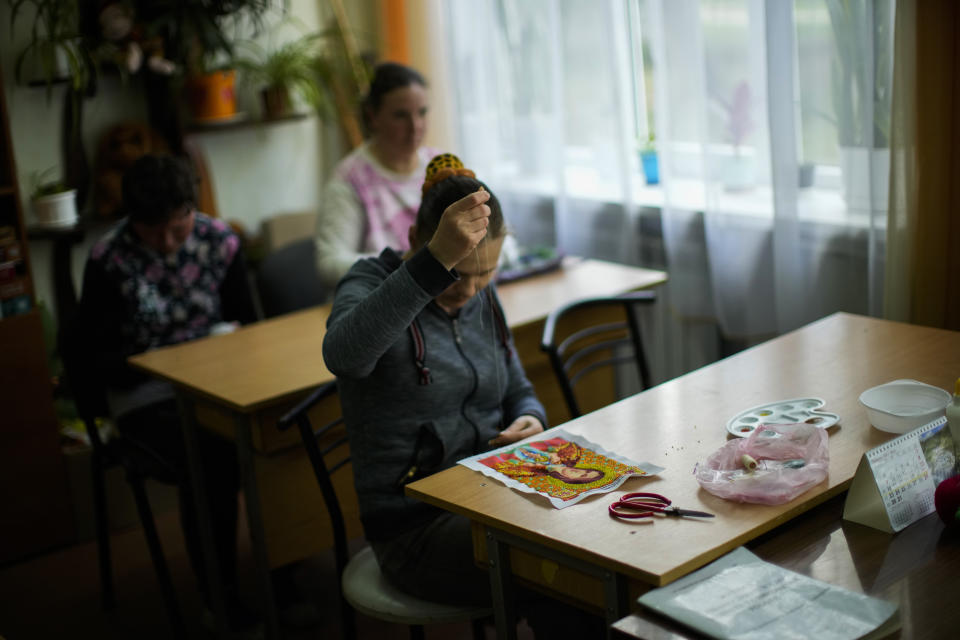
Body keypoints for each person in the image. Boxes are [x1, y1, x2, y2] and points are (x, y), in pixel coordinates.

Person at [322, 153, 603, 637]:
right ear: (417, 240)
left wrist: (530, 417)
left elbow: (517, 387)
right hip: (417, 527)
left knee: (599, 539)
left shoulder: (478, 291)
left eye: (486, 273)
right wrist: (433, 267)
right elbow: (344, 356)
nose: (470, 290)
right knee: (567, 573)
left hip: (493, 493)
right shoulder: (370, 283)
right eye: (458, 272)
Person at [75, 154, 310, 637]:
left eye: (177, 229)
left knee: (277, 435)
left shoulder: (219, 242)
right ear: (131, 221)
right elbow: (95, 361)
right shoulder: (108, 260)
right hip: (146, 395)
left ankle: (282, 580)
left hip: (224, 383)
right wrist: (169, 356)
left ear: (192, 210)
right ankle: (218, 599)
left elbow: (252, 331)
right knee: (214, 456)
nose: (165, 243)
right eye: (151, 231)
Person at [314, 61, 439, 290]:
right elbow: (329, 264)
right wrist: (407, 263)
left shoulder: (440, 166)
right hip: (379, 305)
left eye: (422, 113)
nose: (416, 126)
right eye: (401, 116)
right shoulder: (350, 180)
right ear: (373, 117)